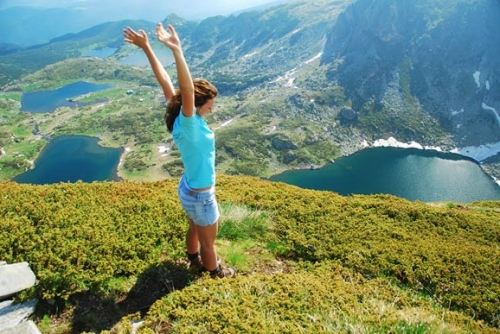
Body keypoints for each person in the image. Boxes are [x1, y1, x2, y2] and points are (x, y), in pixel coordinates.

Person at [123, 22, 236, 279]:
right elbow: (185, 90)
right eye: (210, 104)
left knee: (195, 226)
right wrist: (176, 50)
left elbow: (164, 80)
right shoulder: (189, 121)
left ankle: (192, 257)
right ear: (196, 103)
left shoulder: (176, 113)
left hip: (189, 187)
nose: (213, 109)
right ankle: (215, 272)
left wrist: (147, 48)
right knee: (210, 242)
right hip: (200, 194)